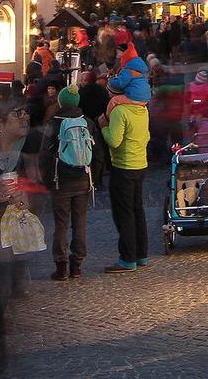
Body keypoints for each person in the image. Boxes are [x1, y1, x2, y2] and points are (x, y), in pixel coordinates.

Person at [40, 84, 104, 280]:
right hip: (83, 179)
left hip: (61, 181)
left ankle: (61, 267)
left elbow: (44, 156)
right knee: (80, 222)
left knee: (61, 224)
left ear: (61, 102)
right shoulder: (88, 123)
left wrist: (47, 181)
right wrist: (96, 177)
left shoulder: (54, 123)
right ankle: (77, 266)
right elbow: (98, 154)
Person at [99, 68, 151, 272]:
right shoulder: (142, 108)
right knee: (138, 210)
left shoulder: (120, 111)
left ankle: (127, 258)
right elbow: (146, 136)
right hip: (141, 164)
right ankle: (141, 254)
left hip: (123, 166)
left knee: (124, 213)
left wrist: (103, 125)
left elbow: (114, 140)